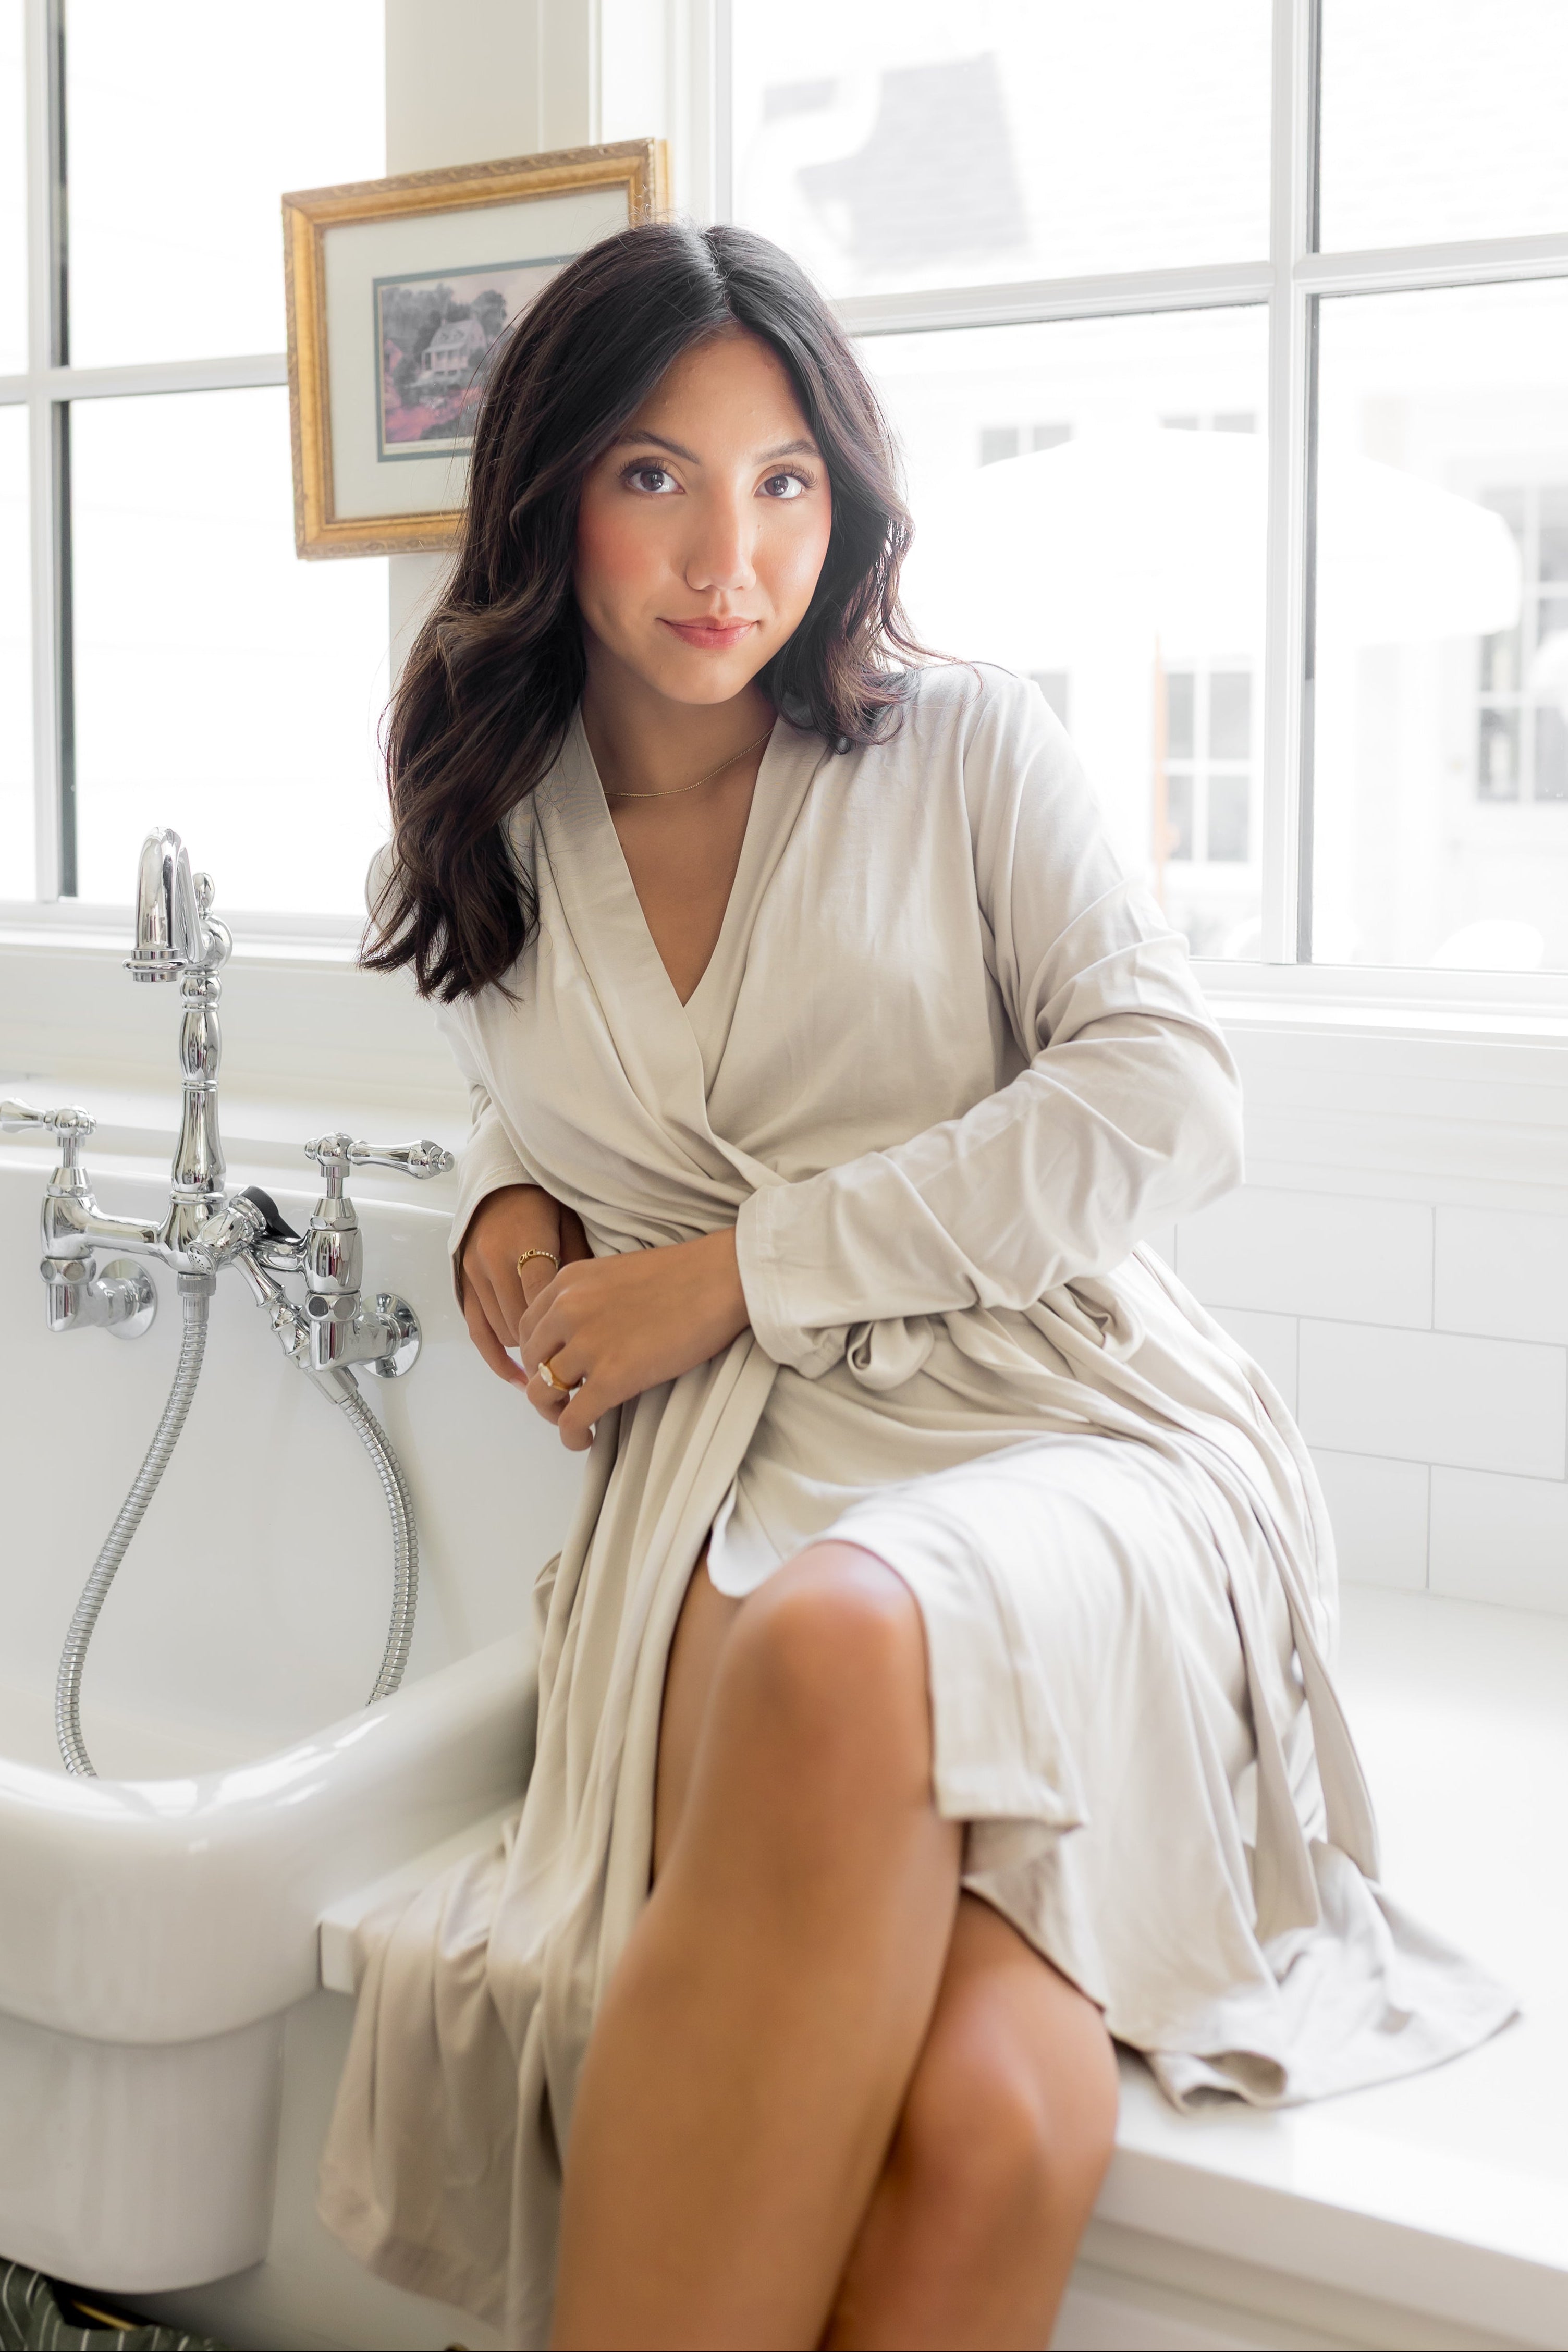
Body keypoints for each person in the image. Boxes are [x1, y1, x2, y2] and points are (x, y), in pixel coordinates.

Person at [319, 219, 1512, 2351]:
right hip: (750, 1464)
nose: (732, 557)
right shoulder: (491, 816)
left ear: (846, 498)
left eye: (785, 481)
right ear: (548, 496)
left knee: (837, 1637)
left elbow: (1166, 1098)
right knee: (983, 2125)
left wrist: (739, 1275)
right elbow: (553, 1073)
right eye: (658, 476)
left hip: (1064, 1427)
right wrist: (509, 1194)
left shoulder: (962, 748)